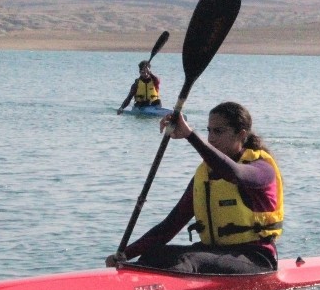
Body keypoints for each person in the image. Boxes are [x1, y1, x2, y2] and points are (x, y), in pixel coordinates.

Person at [106, 101, 283, 274]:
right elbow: (170, 226)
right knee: (153, 255)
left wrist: (190, 135)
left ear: (241, 135)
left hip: (255, 258)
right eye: (209, 131)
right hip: (214, 253)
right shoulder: (205, 176)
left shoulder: (262, 168)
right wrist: (125, 254)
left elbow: (234, 173)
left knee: (187, 261)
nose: (211, 138)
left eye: (218, 131)